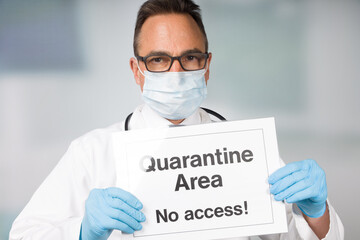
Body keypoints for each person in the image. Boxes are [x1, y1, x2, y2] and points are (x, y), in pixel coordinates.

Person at [9, 0, 344, 239]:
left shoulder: (247, 149)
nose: (176, 72)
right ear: (137, 71)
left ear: (207, 65)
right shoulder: (92, 153)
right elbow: (23, 235)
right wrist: (83, 232)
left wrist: (316, 214)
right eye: (158, 59)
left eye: (190, 57)